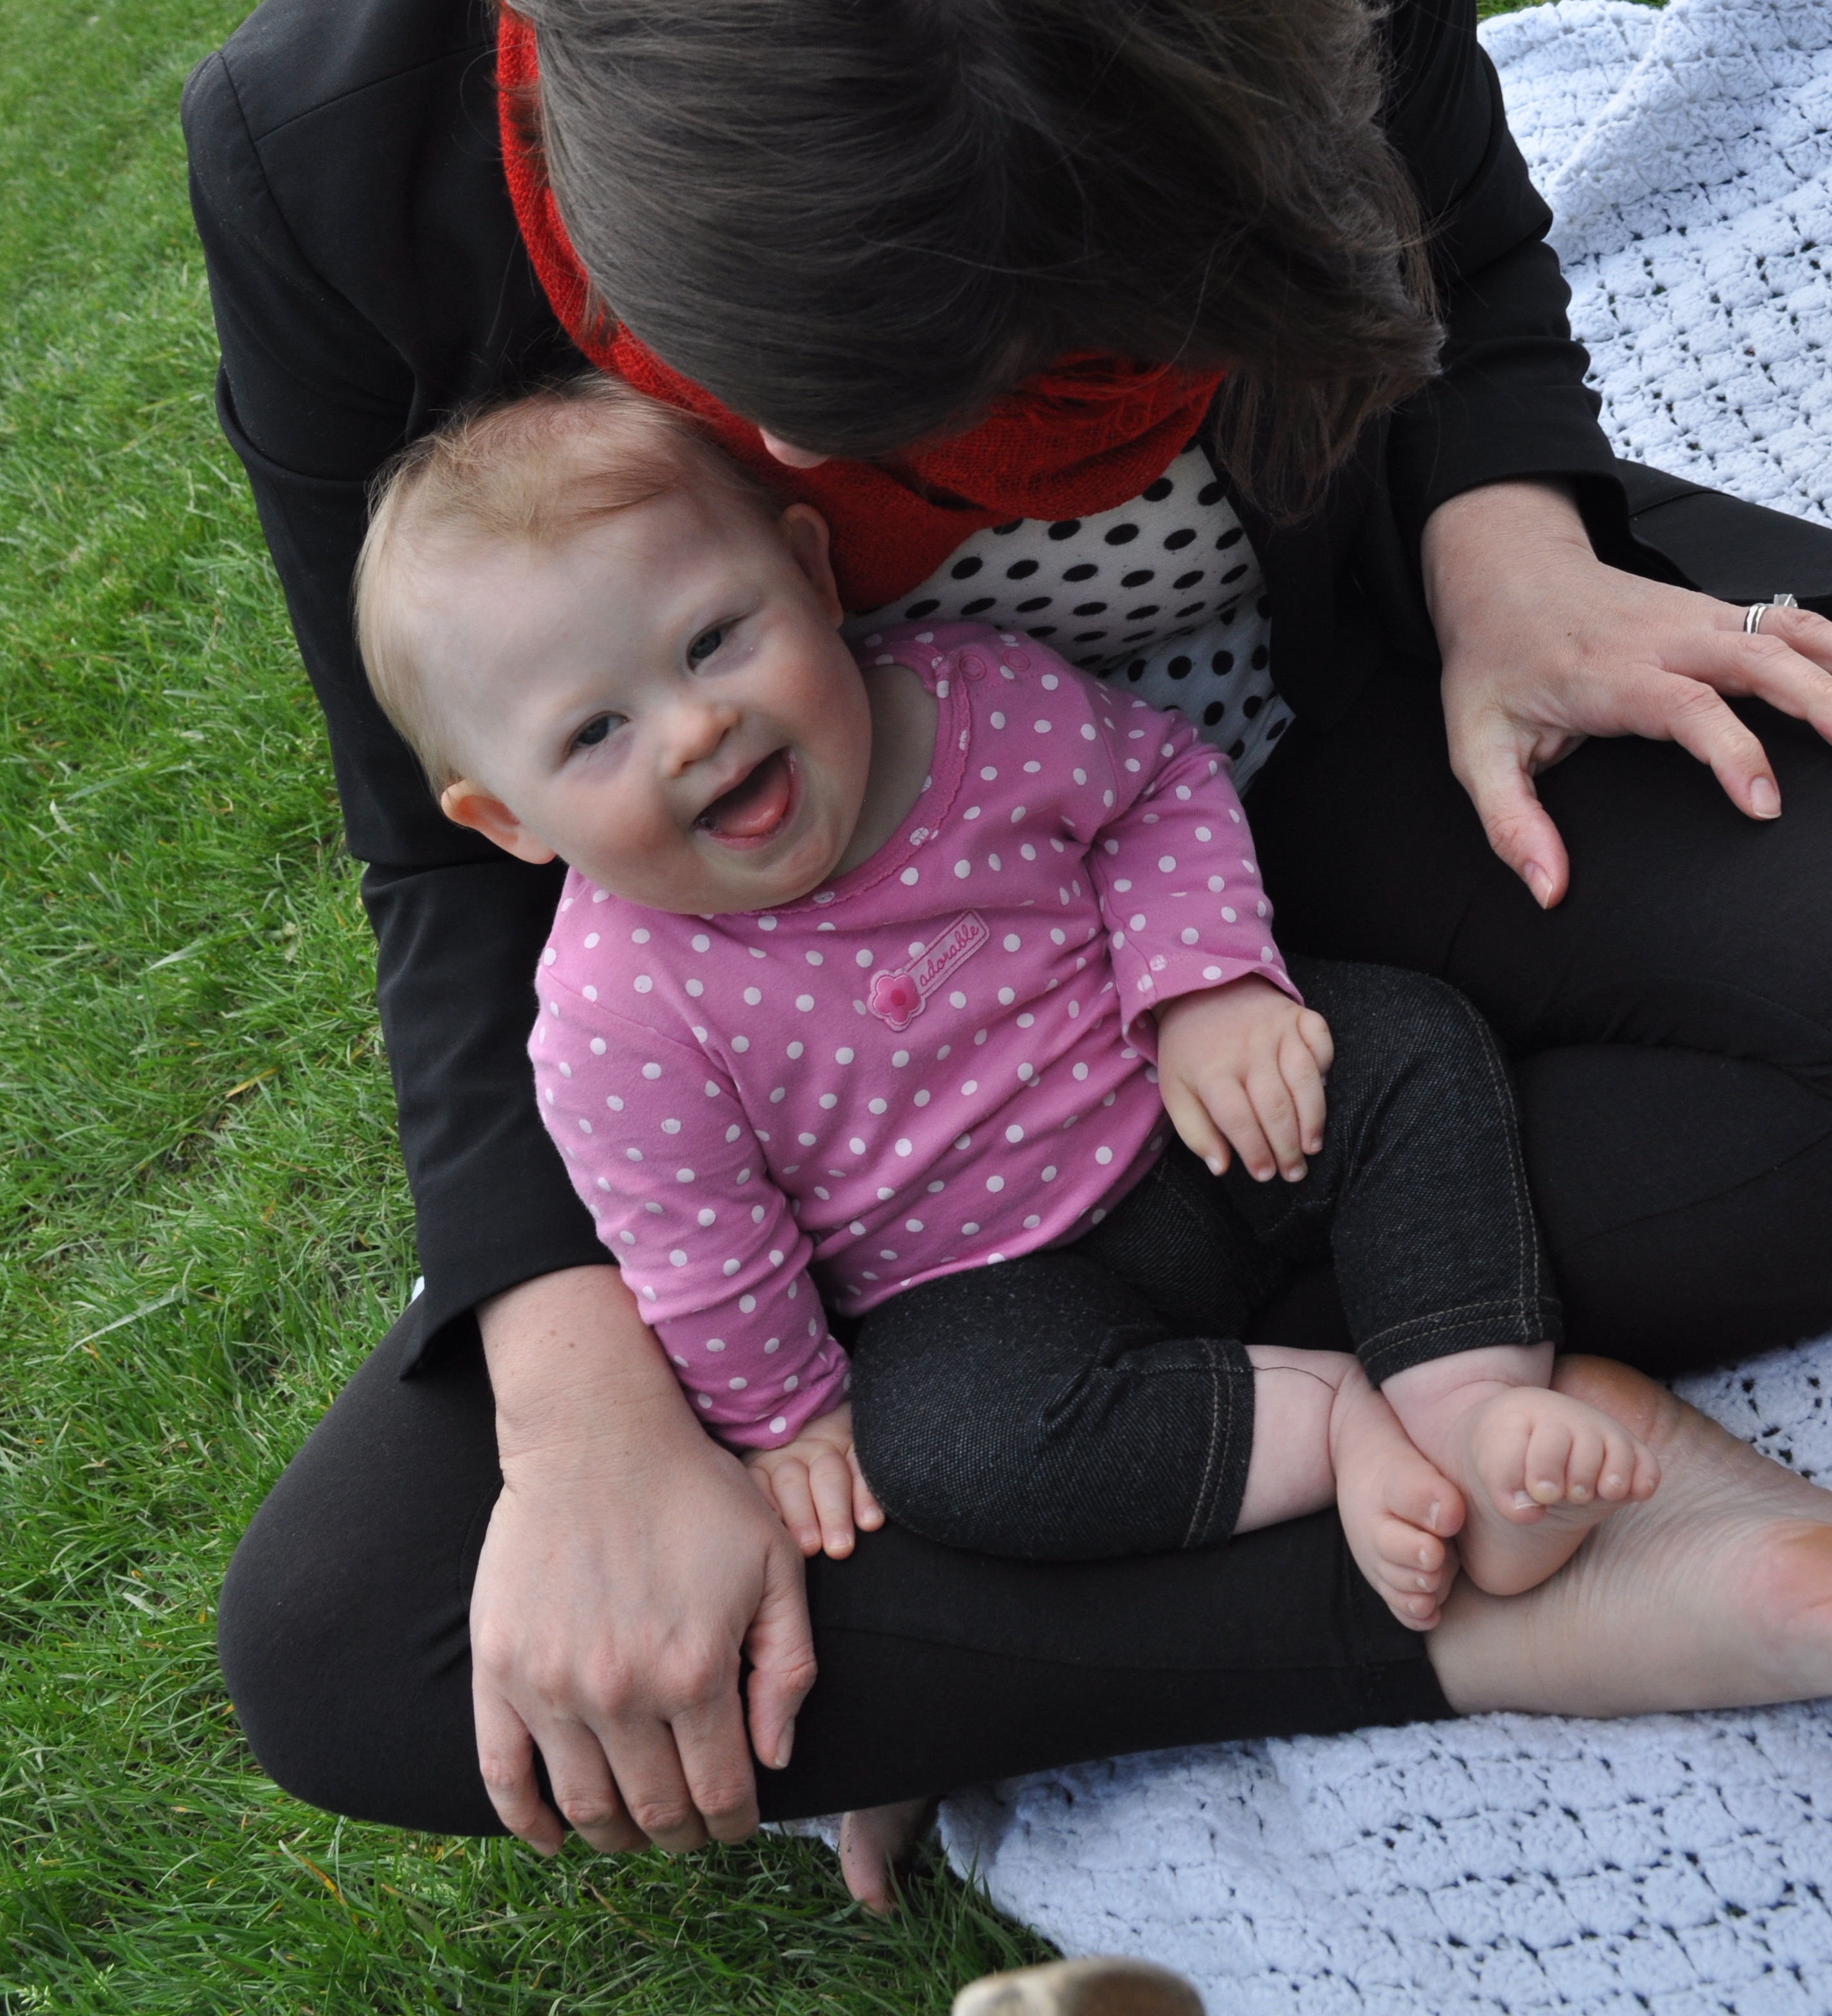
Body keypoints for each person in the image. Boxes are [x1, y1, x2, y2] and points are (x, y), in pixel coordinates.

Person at [185, 0, 1832, 1909]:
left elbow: (1460, 271)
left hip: (1347, 748)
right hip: (887, 1072)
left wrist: (1506, 541)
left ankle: (1089, 1521)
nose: (820, 464)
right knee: (366, 1642)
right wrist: (583, 1398)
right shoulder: (330, 160)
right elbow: (445, 848)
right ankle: (1469, 1549)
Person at [354, 372, 1660, 1629]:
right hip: (983, 1289)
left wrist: (1201, 984)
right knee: (942, 1444)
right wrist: (792, 1415)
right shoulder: (617, 1010)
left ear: (810, 573)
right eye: (594, 732)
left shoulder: (967, 704)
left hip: (1198, 1113)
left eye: (712, 640)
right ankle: (1335, 1427)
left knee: (1403, 1047)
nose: (694, 727)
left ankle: (1467, 1404)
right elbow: (702, 1246)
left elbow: (1155, 787)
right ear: (507, 819)